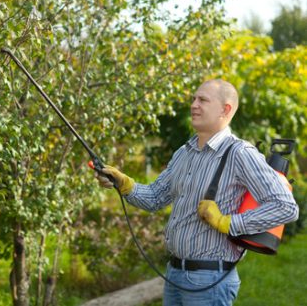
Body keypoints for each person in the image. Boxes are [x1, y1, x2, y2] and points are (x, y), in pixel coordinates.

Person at [94, 79, 299, 306]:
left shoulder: (240, 153)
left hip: (209, 280)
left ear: (225, 109)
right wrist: (124, 184)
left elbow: (286, 207)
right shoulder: (184, 152)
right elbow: (154, 197)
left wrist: (227, 222)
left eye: (202, 100)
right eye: (193, 99)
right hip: (174, 274)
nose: (193, 105)